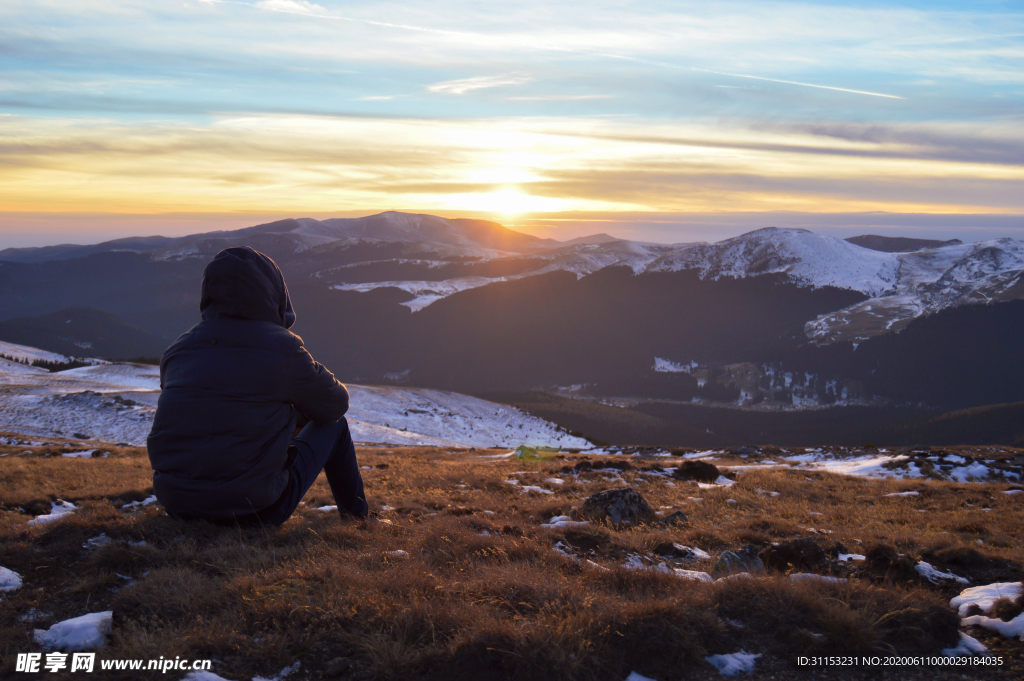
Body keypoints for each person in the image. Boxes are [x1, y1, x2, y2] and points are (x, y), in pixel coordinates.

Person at [147, 246, 369, 525]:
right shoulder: (282, 349)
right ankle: (358, 520)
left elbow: (210, 414)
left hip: (178, 504)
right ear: (274, 293)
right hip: (253, 510)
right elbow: (335, 403)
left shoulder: (178, 351)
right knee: (335, 426)